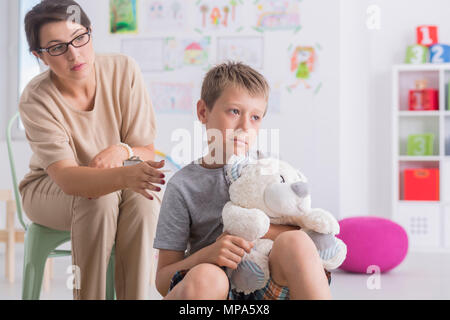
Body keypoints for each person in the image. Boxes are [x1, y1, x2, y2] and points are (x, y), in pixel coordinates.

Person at [19, 0, 165, 300]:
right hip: (49, 189)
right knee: (96, 200)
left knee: (145, 201)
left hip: (116, 182)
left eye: (79, 38)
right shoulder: (36, 98)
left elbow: (147, 151)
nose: (75, 54)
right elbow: (68, 179)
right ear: (40, 56)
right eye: (57, 47)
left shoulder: (123, 70)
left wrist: (122, 151)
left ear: (90, 32)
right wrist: (124, 178)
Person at [153, 62, 332, 300]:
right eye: (234, 111)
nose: (245, 126)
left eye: (256, 117)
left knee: (297, 242)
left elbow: (308, 233)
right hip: (212, 290)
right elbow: (163, 279)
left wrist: (254, 231)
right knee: (208, 277)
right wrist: (208, 254)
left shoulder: (271, 172)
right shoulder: (182, 186)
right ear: (203, 112)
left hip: (266, 285)